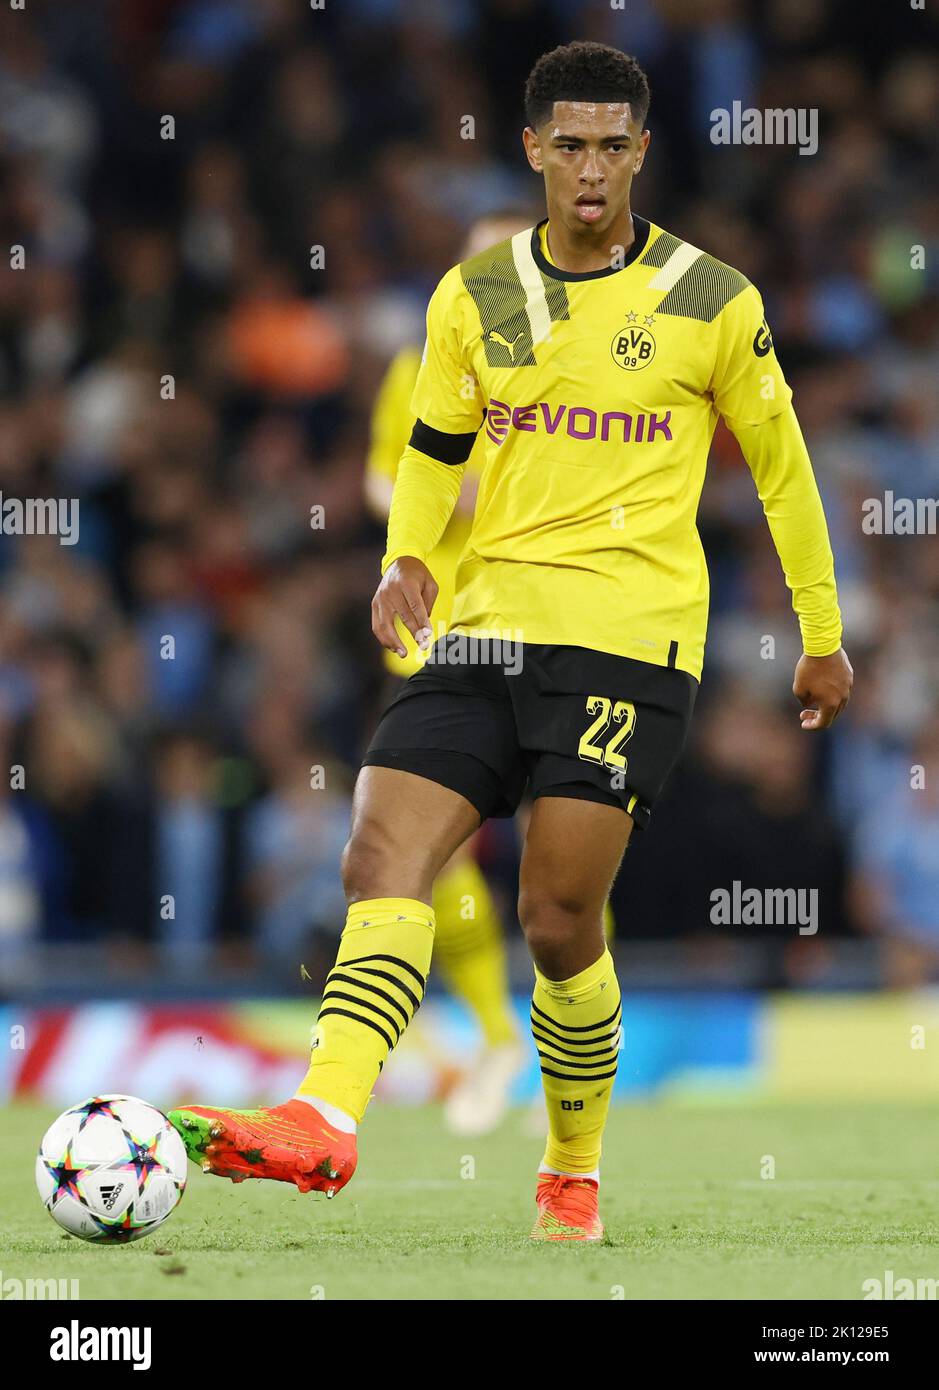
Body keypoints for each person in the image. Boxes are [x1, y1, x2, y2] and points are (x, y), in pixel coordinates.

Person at [171, 40, 853, 1243]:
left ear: (641, 152)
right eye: (568, 146)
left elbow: (788, 477)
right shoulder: (473, 296)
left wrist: (820, 631)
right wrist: (406, 562)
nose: (590, 170)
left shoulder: (712, 297)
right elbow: (431, 457)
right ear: (533, 149)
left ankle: (571, 1166)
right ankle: (326, 1116)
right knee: (380, 853)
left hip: (630, 646)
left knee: (555, 917)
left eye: (612, 146)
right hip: (482, 636)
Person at [364, 209, 535, 1136]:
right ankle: (499, 1034)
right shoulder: (419, 361)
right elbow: (374, 478)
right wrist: (440, 492)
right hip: (450, 617)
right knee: (431, 834)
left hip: (558, 614)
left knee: (569, 836)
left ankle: (558, 1052)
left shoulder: (578, 363)